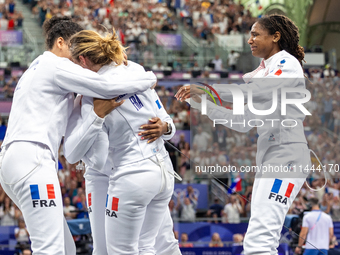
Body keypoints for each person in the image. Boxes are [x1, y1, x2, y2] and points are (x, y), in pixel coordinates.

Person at [0, 16, 156, 255]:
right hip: (33, 159)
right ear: (60, 42)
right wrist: (148, 78)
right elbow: (104, 86)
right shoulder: (55, 65)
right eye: (74, 46)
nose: (78, 54)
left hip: (15, 160)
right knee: (50, 250)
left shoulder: (40, 68)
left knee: (66, 248)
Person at [175, 14, 311, 254]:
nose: (250, 40)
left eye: (256, 34)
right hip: (271, 160)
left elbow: (259, 91)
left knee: (260, 240)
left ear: (276, 36)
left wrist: (207, 89)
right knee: (255, 240)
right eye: (250, 35)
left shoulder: (286, 63)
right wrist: (201, 104)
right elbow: (241, 121)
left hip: (287, 158)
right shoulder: (265, 72)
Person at [63, 29, 181, 254]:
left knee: (123, 249)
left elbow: (95, 158)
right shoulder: (136, 72)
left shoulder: (93, 92)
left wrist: (165, 128)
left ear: (82, 59)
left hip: (129, 176)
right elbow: (155, 93)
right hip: (160, 171)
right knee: (147, 247)